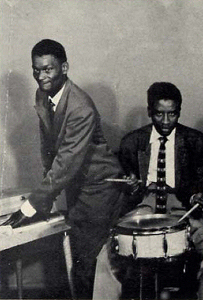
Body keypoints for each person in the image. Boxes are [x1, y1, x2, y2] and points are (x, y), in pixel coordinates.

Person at [1, 39, 124, 298]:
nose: (41, 77)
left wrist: (32, 205)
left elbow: (66, 161)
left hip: (100, 189)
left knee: (88, 261)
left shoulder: (81, 108)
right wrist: (45, 198)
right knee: (78, 258)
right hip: (76, 185)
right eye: (36, 70)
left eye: (48, 70)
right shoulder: (43, 95)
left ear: (64, 67)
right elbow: (50, 150)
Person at [93, 82, 203, 300]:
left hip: (181, 208)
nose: (166, 121)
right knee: (105, 258)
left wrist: (196, 195)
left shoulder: (195, 141)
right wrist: (131, 187)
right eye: (159, 114)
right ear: (149, 112)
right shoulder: (132, 142)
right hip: (143, 208)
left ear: (179, 112)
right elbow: (122, 190)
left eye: (172, 115)